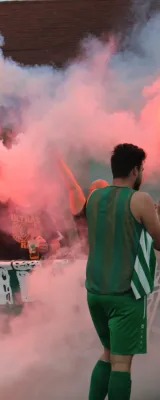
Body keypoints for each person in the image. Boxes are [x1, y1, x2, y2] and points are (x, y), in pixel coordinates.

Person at [84, 144, 160, 400]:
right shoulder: (141, 199)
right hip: (124, 292)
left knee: (108, 352)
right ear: (136, 170)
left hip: (95, 291)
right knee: (121, 363)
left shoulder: (94, 197)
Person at [0, 179, 60, 261]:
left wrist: (47, 248)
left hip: (38, 272)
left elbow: (56, 243)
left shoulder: (41, 212)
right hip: (8, 272)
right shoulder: (2, 208)